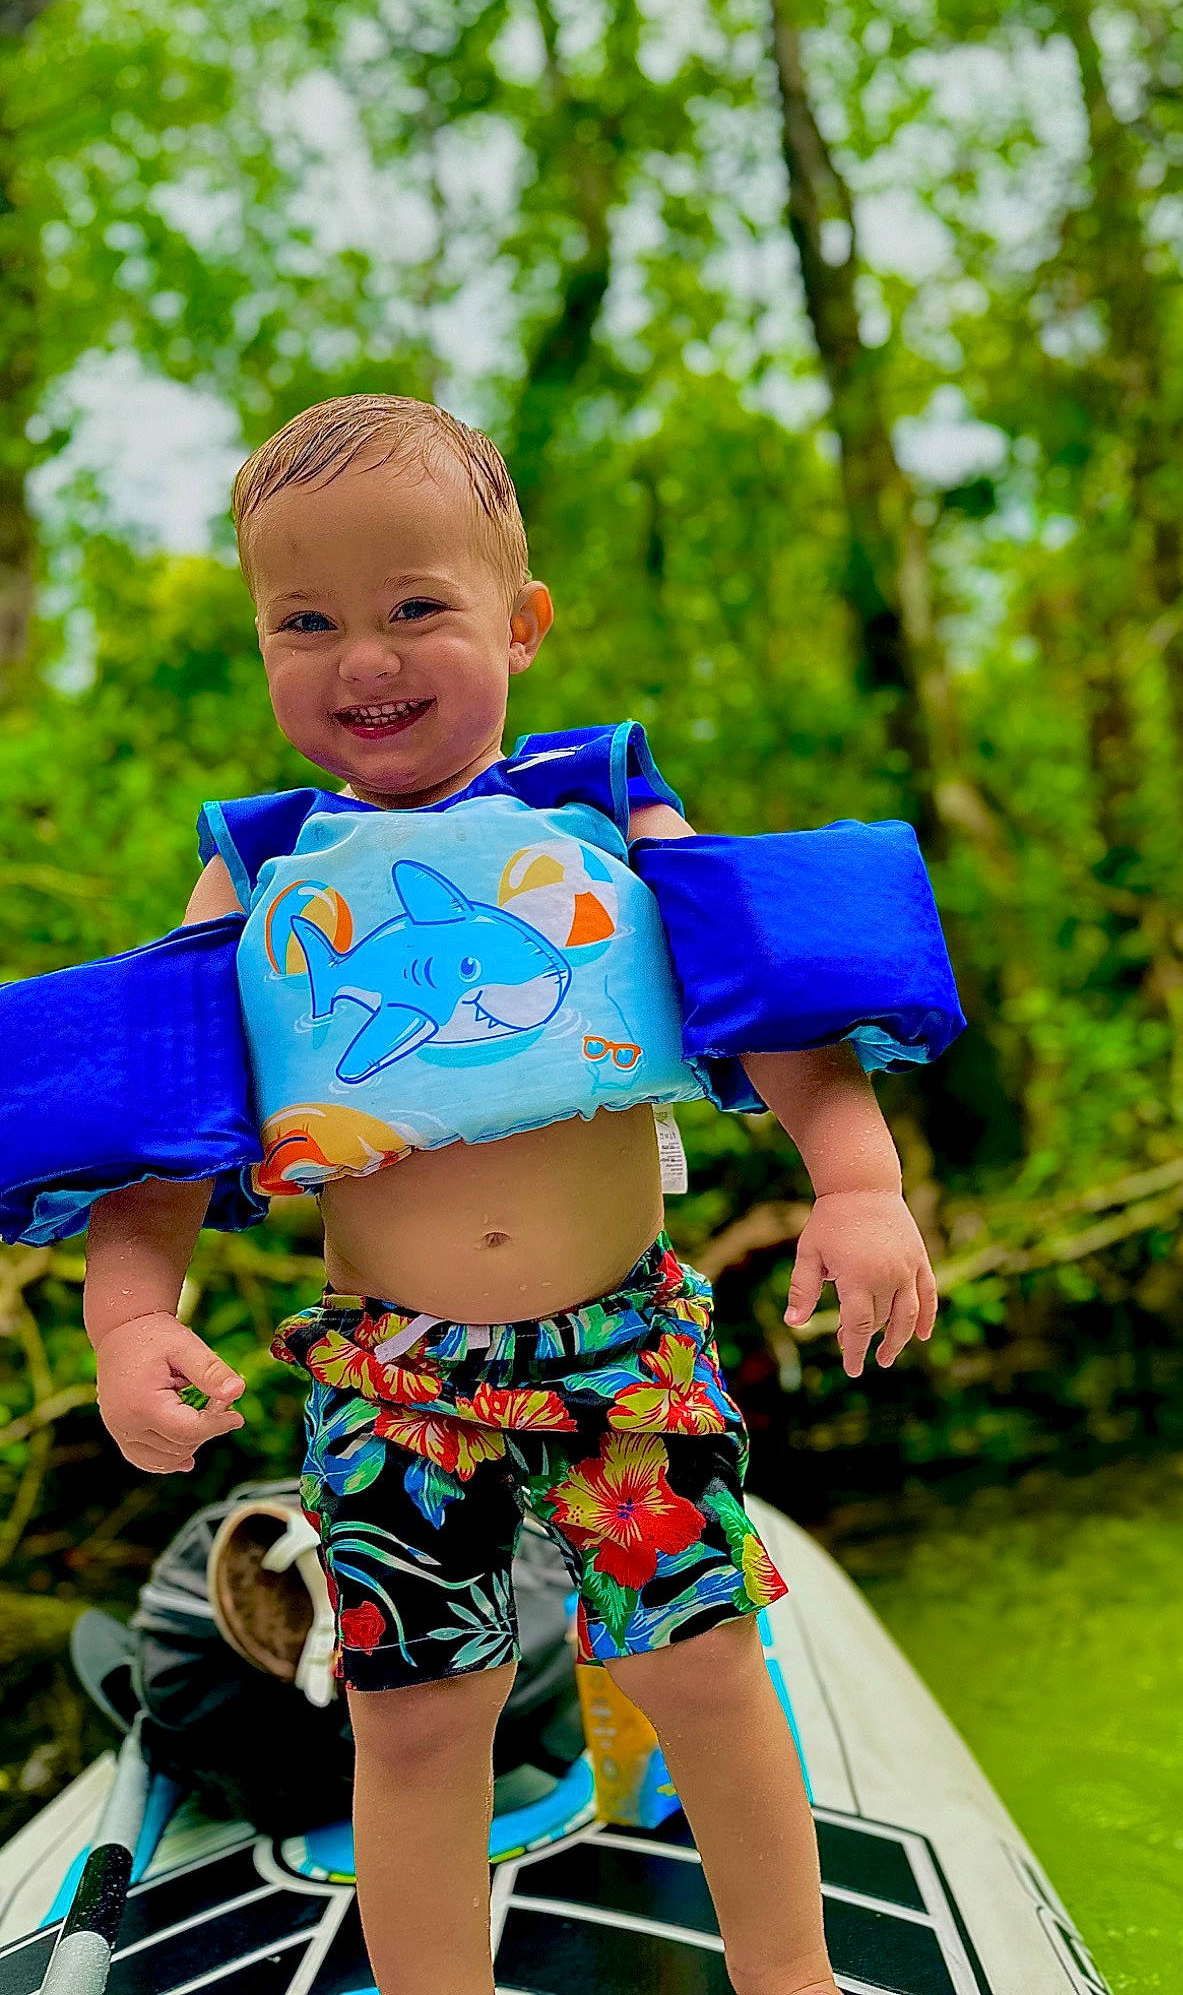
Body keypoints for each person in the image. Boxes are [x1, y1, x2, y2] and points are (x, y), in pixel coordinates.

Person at [73, 394, 959, 1995]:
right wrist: (131, 1316)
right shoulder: (256, 871)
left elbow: (770, 1005)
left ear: (522, 622)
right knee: (416, 1727)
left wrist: (856, 1185)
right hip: (390, 1375)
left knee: (703, 1675)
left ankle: (794, 1984)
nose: (367, 658)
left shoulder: (598, 810)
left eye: (416, 606)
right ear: (261, 648)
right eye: (308, 621)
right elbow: (162, 1123)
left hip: (624, 1345)